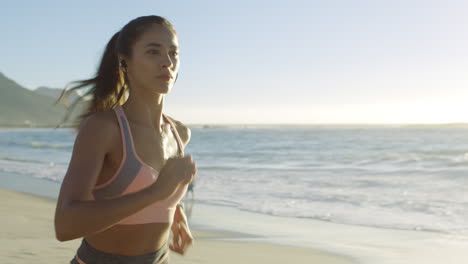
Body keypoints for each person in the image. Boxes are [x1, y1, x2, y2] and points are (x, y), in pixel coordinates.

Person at [53, 15, 197, 264]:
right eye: (153, 52)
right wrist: (155, 193)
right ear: (124, 62)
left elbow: (158, 192)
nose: (167, 62)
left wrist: (175, 211)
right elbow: (65, 224)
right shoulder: (104, 129)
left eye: (173, 53)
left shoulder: (179, 133)